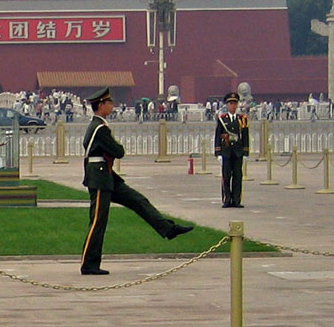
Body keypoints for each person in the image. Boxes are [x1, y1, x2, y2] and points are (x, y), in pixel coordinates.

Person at [80, 88, 193, 275]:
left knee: (138, 200)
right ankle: (89, 264)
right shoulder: (99, 128)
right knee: (98, 221)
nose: (112, 105)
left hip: (107, 176)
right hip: (99, 178)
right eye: (109, 103)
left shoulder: (98, 126)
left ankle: (168, 229)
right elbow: (119, 151)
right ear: (101, 105)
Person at [214, 91, 250, 208]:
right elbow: (218, 135)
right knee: (226, 176)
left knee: (238, 176)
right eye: (230, 103)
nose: (232, 106)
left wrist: (245, 152)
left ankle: (236, 200)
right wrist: (218, 152)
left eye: (234, 103)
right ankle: (226, 199)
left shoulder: (242, 119)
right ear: (227, 105)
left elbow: (245, 136)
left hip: (238, 151)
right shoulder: (222, 119)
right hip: (226, 151)